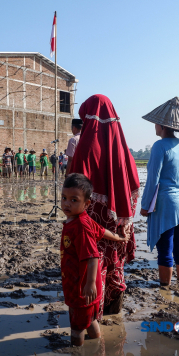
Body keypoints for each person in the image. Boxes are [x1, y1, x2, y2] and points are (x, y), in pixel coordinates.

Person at [68, 94, 140, 317]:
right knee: (115, 263)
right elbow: (134, 184)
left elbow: (76, 185)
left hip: (93, 223)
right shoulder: (123, 146)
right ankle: (112, 312)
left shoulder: (86, 145)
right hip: (118, 219)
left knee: (93, 266)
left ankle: (93, 317)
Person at [60, 174, 128, 346]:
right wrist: (118, 238)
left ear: (87, 203)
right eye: (64, 198)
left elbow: (92, 257)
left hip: (82, 286)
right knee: (89, 320)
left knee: (76, 326)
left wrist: (90, 284)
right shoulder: (81, 220)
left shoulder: (81, 227)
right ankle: (97, 347)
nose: (67, 203)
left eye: (74, 200)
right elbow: (101, 230)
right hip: (82, 284)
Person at [139, 97, 179, 284]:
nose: (154, 126)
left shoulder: (159, 146)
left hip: (166, 203)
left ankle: (164, 286)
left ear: (162, 125)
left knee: (165, 245)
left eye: (156, 123)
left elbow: (153, 179)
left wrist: (145, 205)